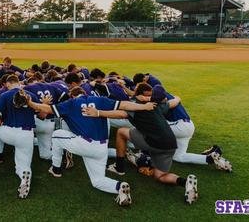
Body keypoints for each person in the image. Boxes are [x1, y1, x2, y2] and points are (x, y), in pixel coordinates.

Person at [26, 87, 156, 206]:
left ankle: (56, 169)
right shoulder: (100, 100)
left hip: (85, 144)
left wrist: (30, 103)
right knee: (97, 180)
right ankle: (119, 186)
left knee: (57, 135)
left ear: (72, 96)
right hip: (101, 148)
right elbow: (124, 105)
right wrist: (144, 107)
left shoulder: (71, 103)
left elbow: (47, 109)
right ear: (85, 93)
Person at [85, 85, 199, 204]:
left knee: (121, 132)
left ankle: (119, 167)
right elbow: (172, 103)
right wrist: (177, 97)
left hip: (153, 143)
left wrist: (98, 113)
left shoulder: (134, 104)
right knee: (159, 176)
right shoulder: (157, 105)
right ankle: (186, 182)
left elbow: (121, 114)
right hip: (170, 144)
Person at [135, 84, 232, 171]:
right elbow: (176, 98)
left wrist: (143, 99)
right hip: (189, 126)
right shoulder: (167, 95)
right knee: (178, 156)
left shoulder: (160, 103)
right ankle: (209, 158)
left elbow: (159, 107)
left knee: (154, 127)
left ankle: (145, 153)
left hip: (180, 126)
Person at [23, 77, 65, 160]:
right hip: (51, 123)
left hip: (35, 122)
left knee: (18, 129)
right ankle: (60, 155)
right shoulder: (52, 87)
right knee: (45, 155)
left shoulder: (27, 88)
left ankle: (20, 147)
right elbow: (65, 97)